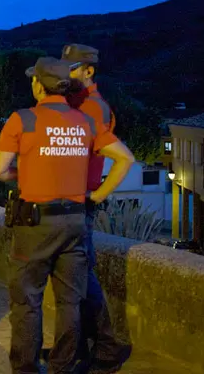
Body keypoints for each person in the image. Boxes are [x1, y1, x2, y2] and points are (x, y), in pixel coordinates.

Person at [0, 57, 134, 374]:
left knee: (27, 300)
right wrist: (95, 195)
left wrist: (21, 172)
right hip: (75, 221)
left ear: (39, 85)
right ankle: (62, 367)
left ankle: (25, 368)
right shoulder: (85, 121)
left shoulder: (22, 119)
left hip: (35, 222)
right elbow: (125, 158)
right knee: (70, 301)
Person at [61, 43, 132, 372]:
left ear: (89, 71)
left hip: (81, 199)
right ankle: (87, 345)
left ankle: (106, 346)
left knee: (82, 274)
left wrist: (98, 195)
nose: (67, 73)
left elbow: (118, 157)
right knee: (78, 273)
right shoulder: (79, 104)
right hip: (71, 199)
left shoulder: (93, 108)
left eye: (72, 68)